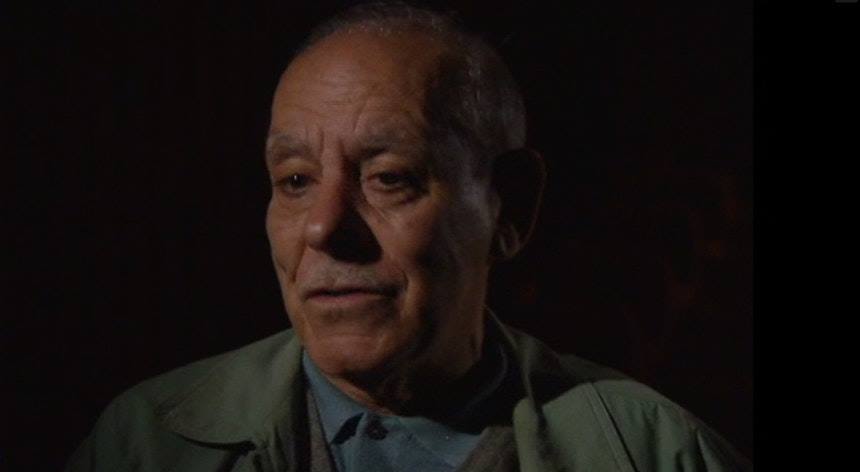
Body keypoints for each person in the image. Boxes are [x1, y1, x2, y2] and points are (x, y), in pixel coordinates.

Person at [67, 3, 751, 471]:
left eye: (389, 178)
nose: (323, 227)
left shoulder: (651, 453)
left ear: (509, 208)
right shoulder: (147, 442)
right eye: (296, 180)